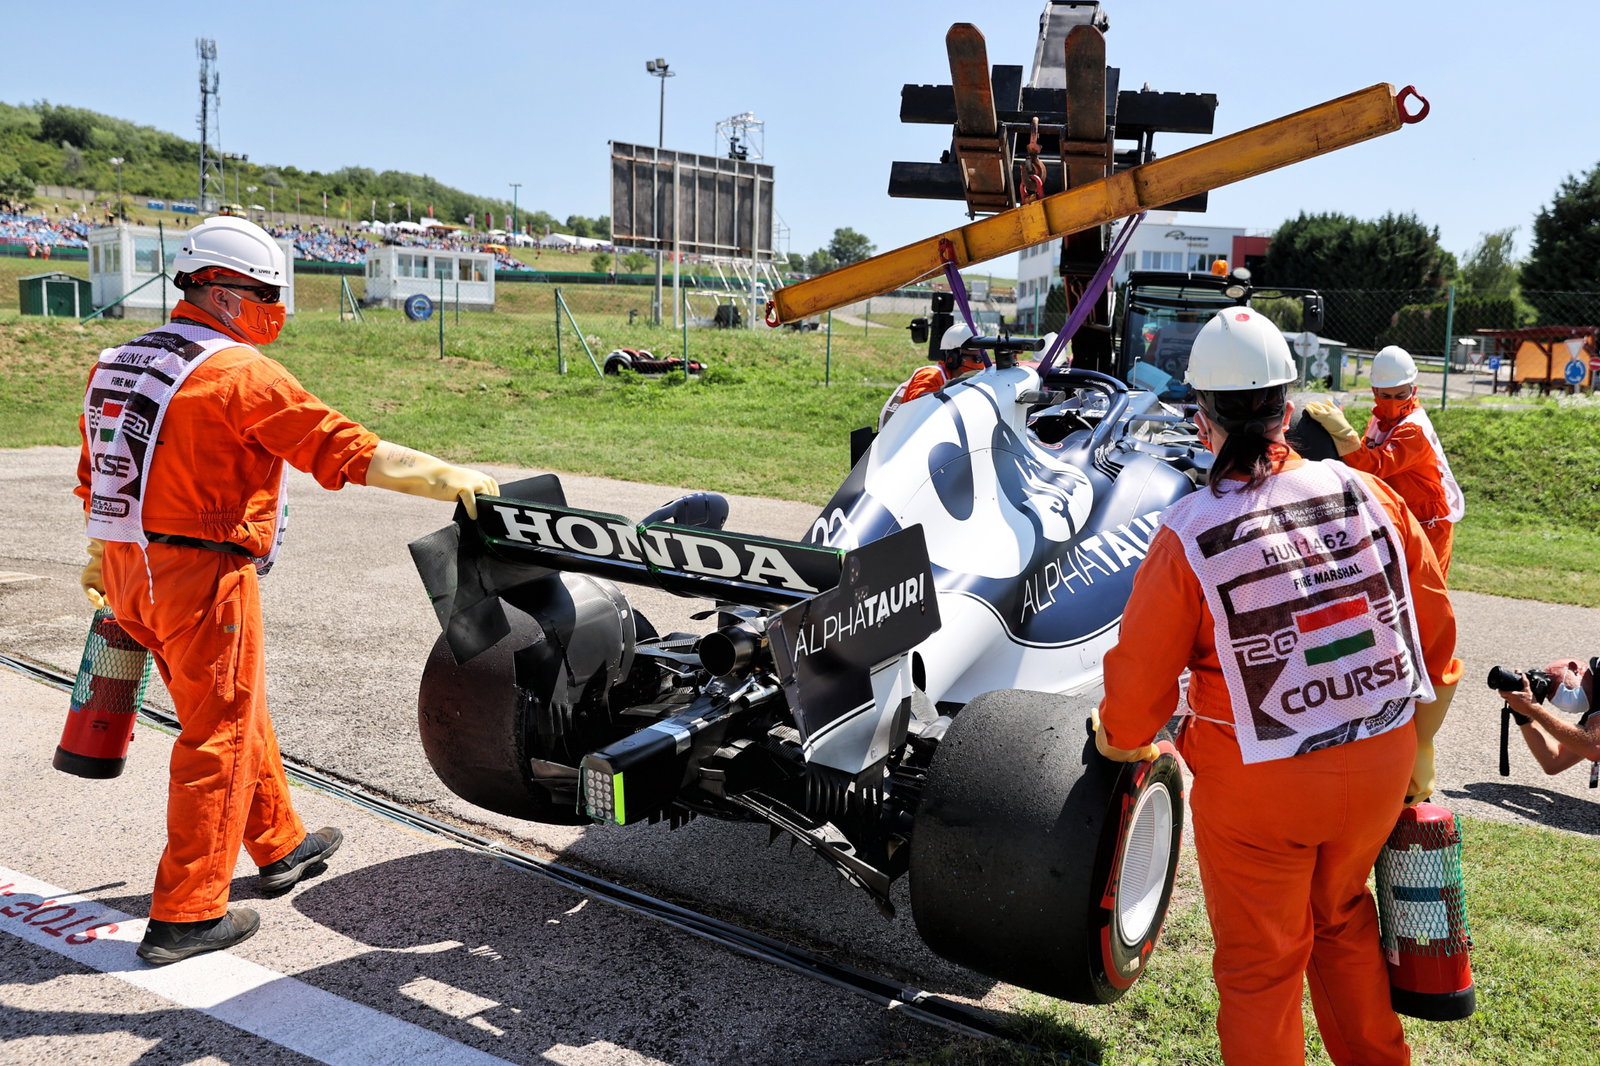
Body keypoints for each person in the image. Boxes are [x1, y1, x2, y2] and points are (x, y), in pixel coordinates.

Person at [76, 214, 500, 966]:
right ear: (228, 292)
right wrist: (446, 478)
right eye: (270, 293)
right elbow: (339, 447)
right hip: (201, 574)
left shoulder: (120, 359)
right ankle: (187, 912)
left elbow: (102, 466)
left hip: (127, 563)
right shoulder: (237, 372)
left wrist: (98, 554)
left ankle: (280, 844)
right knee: (222, 732)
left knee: (230, 706)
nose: (277, 307)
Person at [1096, 308, 1461, 1065]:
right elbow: (1436, 636)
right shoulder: (1368, 494)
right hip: (1379, 764)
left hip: (1259, 788)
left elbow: (1138, 692)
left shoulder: (1190, 532)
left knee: (1263, 967)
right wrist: (1414, 750)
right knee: (1343, 918)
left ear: (1203, 422)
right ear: (1288, 412)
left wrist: (1121, 739)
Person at [1304, 345, 1464, 575]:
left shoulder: (1413, 430)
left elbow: (1375, 465)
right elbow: (1365, 456)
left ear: (1414, 389)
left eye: (1401, 395)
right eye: (1385, 396)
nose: (1392, 402)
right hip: (1401, 513)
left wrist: (1345, 435)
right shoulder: (1380, 421)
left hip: (1428, 520)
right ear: (1374, 391)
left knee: (1425, 595)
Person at [1497, 656, 1600, 775]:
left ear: (1574, 668)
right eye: (1547, 694)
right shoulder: (1594, 709)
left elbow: (1594, 748)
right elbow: (1555, 761)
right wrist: (1523, 715)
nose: (1554, 695)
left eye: (1551, 684)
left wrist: (1533, 708)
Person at [878, 321, 990, 428]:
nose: (980, 364)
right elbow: (916, 405)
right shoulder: (931, 375)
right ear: (953, 358)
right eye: (977, 359)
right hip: (897, 438)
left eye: (983, 357)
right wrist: (956, 385)